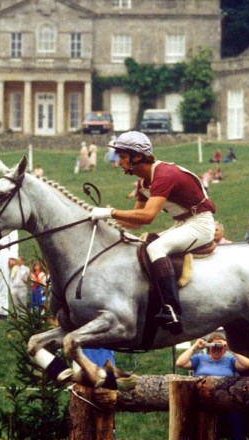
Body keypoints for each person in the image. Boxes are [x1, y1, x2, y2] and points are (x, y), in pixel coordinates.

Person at [93, 131, 216, 329]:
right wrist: (103, 223)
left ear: (138, 157)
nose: (119, 162)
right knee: (143, 243)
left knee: (155, 249)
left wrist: (110, 212)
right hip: (183, 224)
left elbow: (147, 217)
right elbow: (136, 221)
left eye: (123, 157)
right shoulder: (143, 182)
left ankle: (173, 311)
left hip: (200, 225)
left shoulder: (164, 175)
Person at [175, 331, 249, 440]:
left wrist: (231, 349)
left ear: (224, 349)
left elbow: (248, 364)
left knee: (235, 410)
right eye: (213, 346)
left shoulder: (230, 360)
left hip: (225, 399)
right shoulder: (200, 359)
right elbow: (180, 363)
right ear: (208, 347)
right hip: (202, 399)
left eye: (219, 346)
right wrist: (195, 346)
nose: (216, 349)